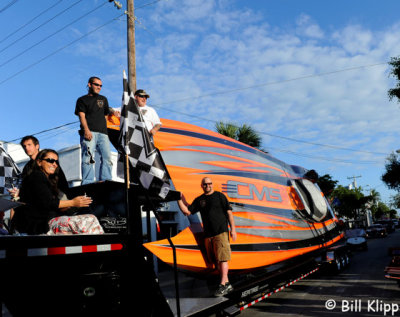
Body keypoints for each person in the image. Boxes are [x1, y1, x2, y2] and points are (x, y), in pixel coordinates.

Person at [177, 177, 237, 297]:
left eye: (209, 183)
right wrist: (179, 199)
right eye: (205, 184)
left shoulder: (220, 196)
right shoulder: (200, 200)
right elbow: (187, 211)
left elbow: (229, 213)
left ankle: (223, 284)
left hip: (221, 232)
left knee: (222, 258)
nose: (207, 185)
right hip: (208, 235)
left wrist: (233, 230)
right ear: (202, 186)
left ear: (212, 184)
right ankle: (227, 283)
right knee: (215, 261)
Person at [13, 149, 93, 235]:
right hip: (35, 227)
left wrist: (70, 206)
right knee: (90, 219)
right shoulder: (37, 176)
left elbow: (43, 205)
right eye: (50, 160)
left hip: (39, 224)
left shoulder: (46, 179)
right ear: (39, 162)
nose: (54, 164)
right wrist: (73, 202)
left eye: (56, 162)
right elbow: (49, 203)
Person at [75, 76, 120, 185]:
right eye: (96, 84)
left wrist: (113, 113)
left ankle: (105, 180)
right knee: (88, 158)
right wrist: (86, 130)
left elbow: (105, 114)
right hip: (89, 132)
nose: (99, 87)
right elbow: (82, 116)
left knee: (107, 158)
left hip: (103, 134)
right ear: (89, 85)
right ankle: (87, 182)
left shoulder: (103, 99)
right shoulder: (82, 100)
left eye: (100, 85)